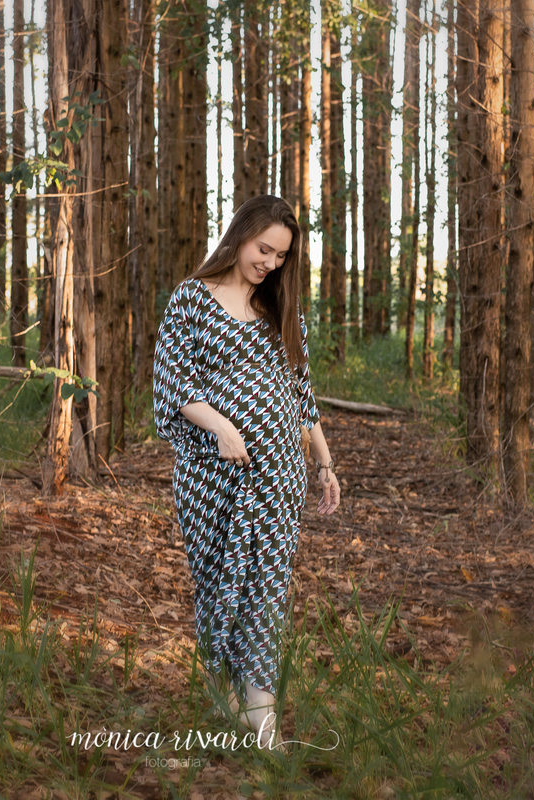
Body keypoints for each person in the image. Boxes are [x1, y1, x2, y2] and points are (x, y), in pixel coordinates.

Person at [153, 195, 341, 752]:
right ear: (240, 235)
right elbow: (173, 384)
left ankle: (263, 723)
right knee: (216, 585)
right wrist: (220, 427)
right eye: (265, 250)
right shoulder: (191, 300)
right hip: (210, 477)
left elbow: (301, 396)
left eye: (281, 256)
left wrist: (323, 462)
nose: (270, 264)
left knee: (265, 590)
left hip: (276, 479)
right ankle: (225, 698)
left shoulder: (280, 311)